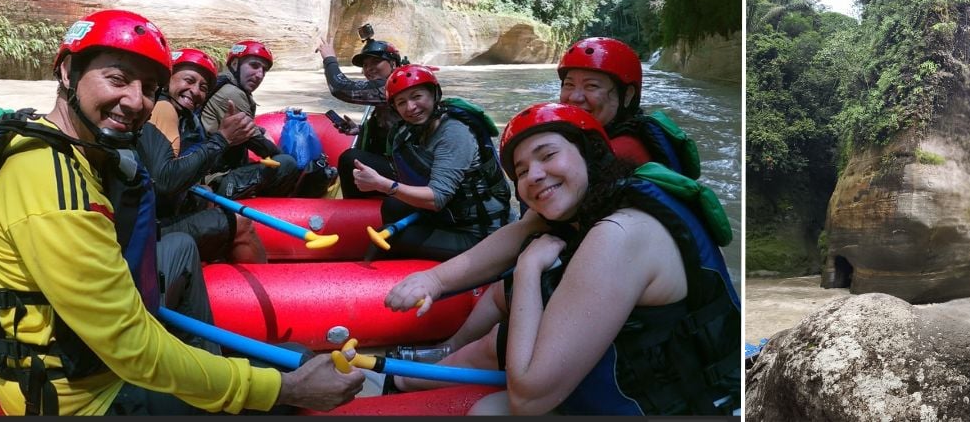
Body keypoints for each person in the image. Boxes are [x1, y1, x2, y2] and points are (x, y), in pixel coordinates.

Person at [0, 10, 366, 415]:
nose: (137, 101)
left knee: (187, 256)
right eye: (117, 79)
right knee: (287, 379)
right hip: (81, 398)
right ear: (67, 72)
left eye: (150, 87)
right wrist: (284, 389)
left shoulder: (62, 144)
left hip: (92, 362)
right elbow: (132, 348)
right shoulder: (52, 189)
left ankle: (209, 363)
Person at [383, 102, 739, 415]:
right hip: (641, 379)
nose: (534, 175)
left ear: (589, 154)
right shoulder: (602, 198)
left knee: (492, 406)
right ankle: (410, 376)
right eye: (521, 171)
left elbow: (528, 400)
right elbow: (515, 235)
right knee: (492, 396)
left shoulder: (620, 233)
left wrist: (527, 270)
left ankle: (402, 381)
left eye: (548, 155)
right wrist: (435, 280)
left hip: (679, 403)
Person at [347, 64, 511, 261]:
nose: (411, 108)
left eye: (417, 96)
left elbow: (437, 199)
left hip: (480, 233)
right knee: (392, 206)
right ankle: (409, 264)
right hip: (449, 216)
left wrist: (381, 184)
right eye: (401, 102)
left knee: (389, 238)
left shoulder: (455, 132)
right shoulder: (410, 130)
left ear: (434, 94)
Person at [137, 47, 267, 263]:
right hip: (147, 231)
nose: (195, 91)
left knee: (203, 194)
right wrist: (222, 139)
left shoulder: (183, 116)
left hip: (156, 218)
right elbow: (164, 180)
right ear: (168, 78)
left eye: (203, 87)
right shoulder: (163, 108)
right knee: (241, 224)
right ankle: (268, 289)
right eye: (188, 80)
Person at [558, 36, 700, 177]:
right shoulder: (608, 136)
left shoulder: (620, 155)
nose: (574, 98)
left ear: (627, 96)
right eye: (569, 84)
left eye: (591, 86)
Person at [200, 39, 300, 199]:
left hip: (215, 169)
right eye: (254, 66)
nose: (260, 74)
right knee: (287, 163)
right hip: (214, 179)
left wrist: (261, 130)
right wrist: (295, 165)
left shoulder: (226, 85)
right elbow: (262, 147)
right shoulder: (232, 93)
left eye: (264, 70)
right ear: (235, 64)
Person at [315, 26, 407, 186]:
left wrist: (329, 59)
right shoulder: (386, 86)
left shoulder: (391, 86)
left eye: (376, 62)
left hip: (405, 167)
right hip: (396, 159)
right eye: (365, 65)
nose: (369, 68)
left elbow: (340, 88)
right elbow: (393, 125)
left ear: (393, 64)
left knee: (349, 158)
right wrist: (361, 130)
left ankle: (352, 206)